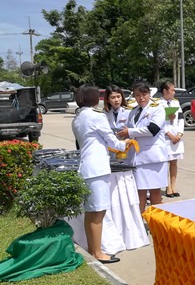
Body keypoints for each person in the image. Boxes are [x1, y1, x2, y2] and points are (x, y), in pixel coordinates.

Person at [73, 85, 129, 264]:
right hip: (97, 168)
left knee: (91, 213)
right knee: (98, 213)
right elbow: (111, 139)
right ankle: (97, 252)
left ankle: (93, 249)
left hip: (86, 167)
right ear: (93, 98)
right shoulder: (97, 117)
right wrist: (124, 144)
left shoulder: (78, 118)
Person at [117, 82, 169, 213]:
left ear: (149, 94)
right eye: (137, 95)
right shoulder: (133, 111)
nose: (141, 98)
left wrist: (129, 132)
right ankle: (139, 223)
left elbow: (153, 129)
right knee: (139, 193)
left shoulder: (158, 108)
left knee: (155, 193)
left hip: (153, 158)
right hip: (137, 158)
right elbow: (128, 132)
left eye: (144, 94)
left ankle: (157, 225)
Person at [160, 80, 185, 198]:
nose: (174, 93)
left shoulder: (176, 103)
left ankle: (173, 186)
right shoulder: (158, 104)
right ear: (165, 91)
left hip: (176, 137)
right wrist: (169, 134)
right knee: (166, 163)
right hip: (166, 137)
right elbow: (159, 122)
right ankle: (167, 187)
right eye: (172, 90)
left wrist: (179, 134)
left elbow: (180, 119)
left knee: (174, 163)